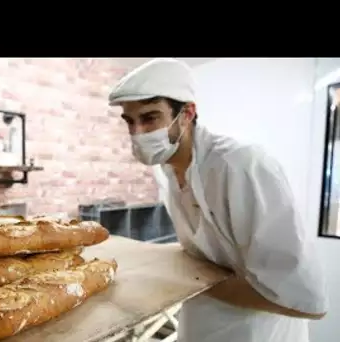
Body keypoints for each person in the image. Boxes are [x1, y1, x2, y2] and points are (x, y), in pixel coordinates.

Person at [108, 58, 329, 342]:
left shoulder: (241, 166)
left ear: (187, 114)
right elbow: (210, 249)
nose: (137, 133)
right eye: (130, 121)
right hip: (201, 325)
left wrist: (183, 281)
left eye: (150, 118)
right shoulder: (166, 168)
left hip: (255, 333)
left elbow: (306, 299)